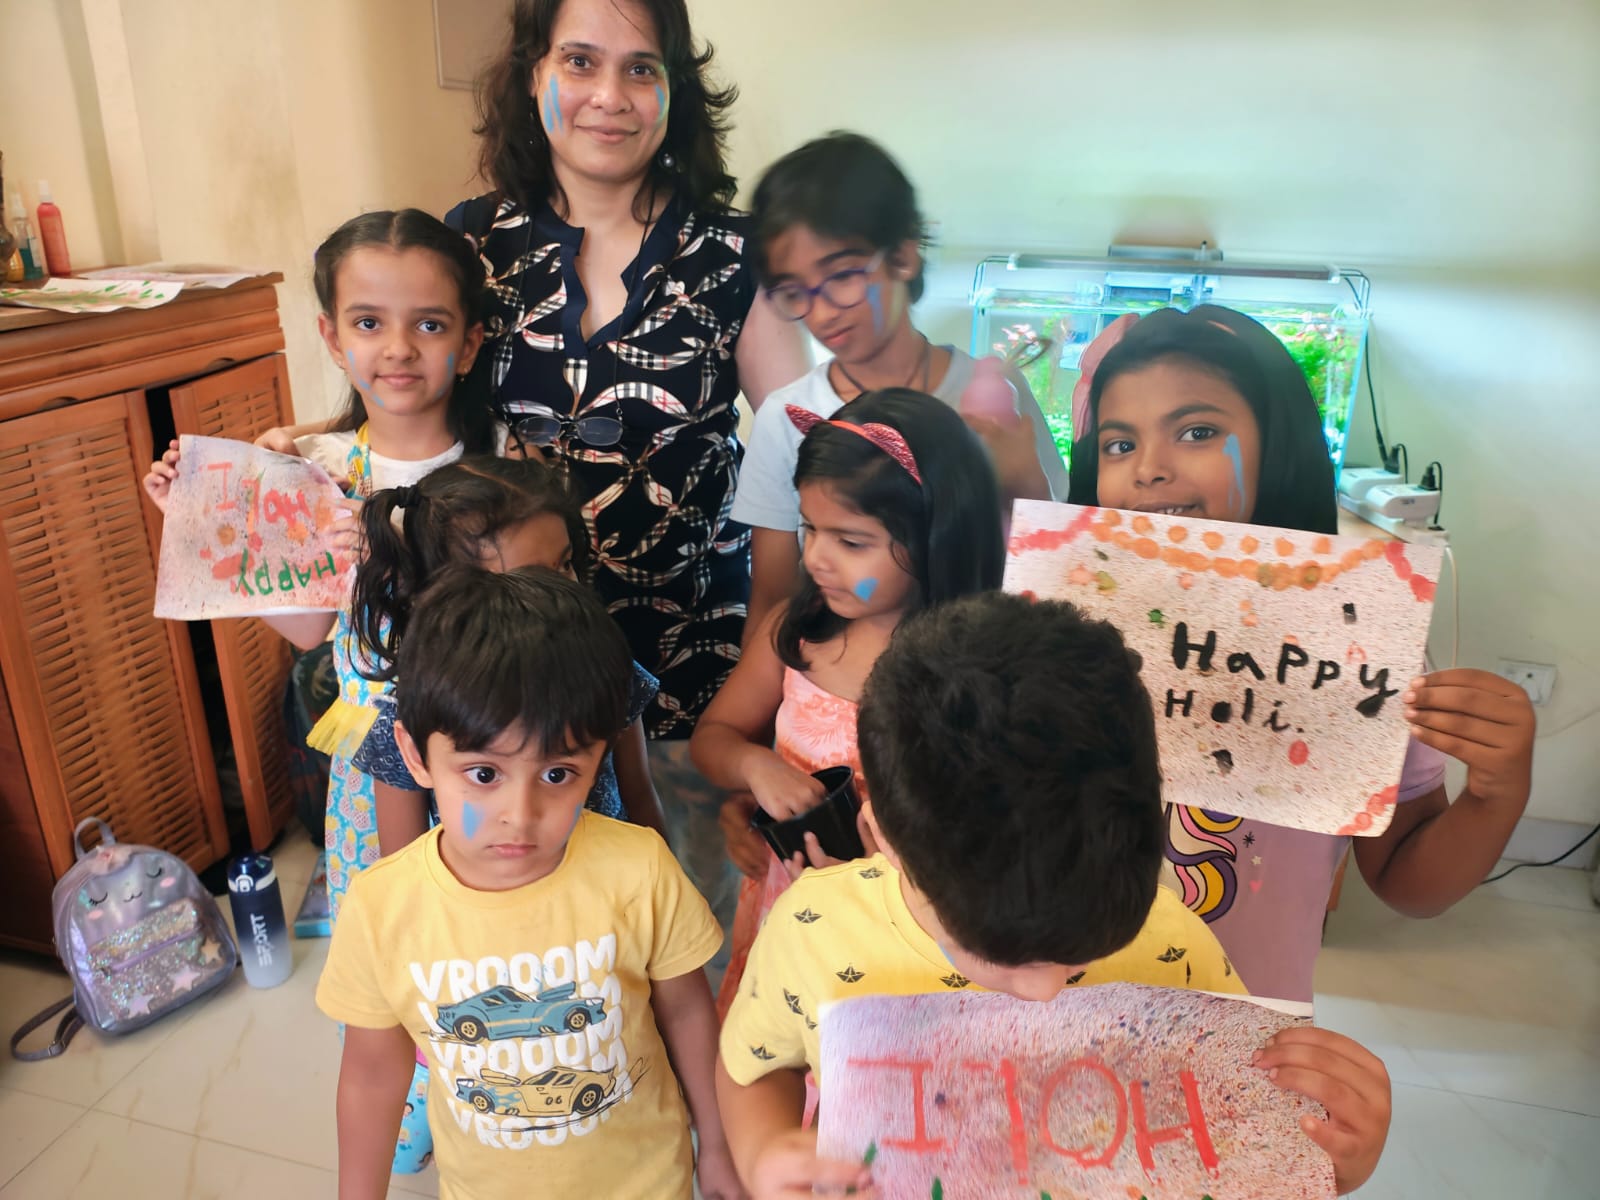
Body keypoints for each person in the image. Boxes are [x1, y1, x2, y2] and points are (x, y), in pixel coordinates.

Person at [715, 592, 1392, 1197]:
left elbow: (1227, 1131)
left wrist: (1333, 1160)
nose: (1045, 992)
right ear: (882, 837)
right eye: (993, 952)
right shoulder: (816, 927)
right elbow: (754, 1067)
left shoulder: (1176, 941)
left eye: (1082, 954)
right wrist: (763, 1156)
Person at [146, 207, 507, 1174]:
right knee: (390, 942)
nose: (398, 349)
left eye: (430, 324)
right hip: (368, 773)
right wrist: (212, 524)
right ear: (329, 335)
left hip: (483, 761)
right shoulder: (313, 473)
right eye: (367, 322)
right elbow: (312, 633)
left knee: (483, 934)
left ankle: (481, 1092)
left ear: (469, 342)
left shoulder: (500, 470)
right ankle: (410, 1099)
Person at [1068, 305, 1537, 1001]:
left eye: (1198, 432)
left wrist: (1499, 792)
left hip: (1237, 1041)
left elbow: (1408, 883)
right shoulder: (1055, 626)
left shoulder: (1353, 648)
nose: (1149, 471)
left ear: (1277, 447)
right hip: (1048, 1025)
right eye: (1117, 444)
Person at [316, 565, 740, 1200]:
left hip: (648, 1183)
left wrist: (721, 1148)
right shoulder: (382, 907)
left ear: (598, 758)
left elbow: (686, 1010)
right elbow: (374, 1072)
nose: (521, 813)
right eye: (483, 774)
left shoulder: (639, 868)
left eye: (558, 774)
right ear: (414, 755)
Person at [691, 389, 1005, 1015]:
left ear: (936, 537)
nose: (815, 558)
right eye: (809, 528)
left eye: (851, 542)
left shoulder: (982, 671)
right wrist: (756, 773)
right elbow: (715, 737)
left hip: (906, 941)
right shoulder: (798, 633)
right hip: (787, 912)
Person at [732, 132, 1068, 636]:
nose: (820, 312)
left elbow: (1059, 569)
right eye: (795, 291)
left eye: (841, 276)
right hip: (839, 678)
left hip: (978, 668)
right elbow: (774, 599)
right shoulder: (786, 417)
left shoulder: (998, 393)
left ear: (903, 257)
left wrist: (1022, 480)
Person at [346, 455, 667, 856]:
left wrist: (667, 891)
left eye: (565, 565)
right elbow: (404, 869)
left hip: (609, 901)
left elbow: (640, 796)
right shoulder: (412, 713)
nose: (564, 588)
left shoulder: (610, 672)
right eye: (534, 577)